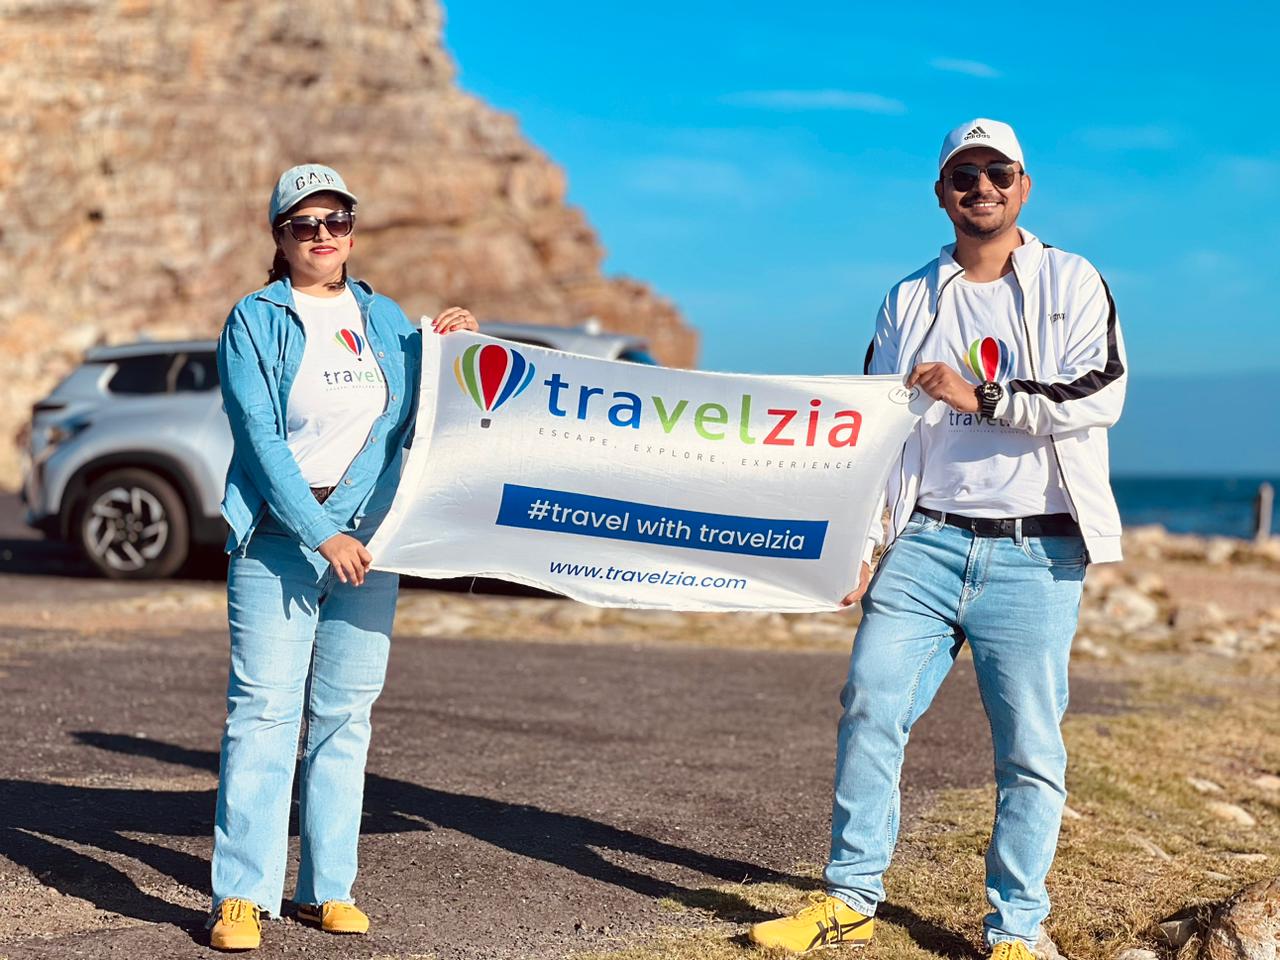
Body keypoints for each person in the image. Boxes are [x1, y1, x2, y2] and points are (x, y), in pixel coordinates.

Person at [748, 119, 1127, 957]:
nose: (981, 186)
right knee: (872, 708)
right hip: (924, 546)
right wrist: (863, 541)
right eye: (964, 173)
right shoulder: (908, 297)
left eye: (999, 172)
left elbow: (1099, 392)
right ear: (941, 191)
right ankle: (849, 897)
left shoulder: (1073, 279)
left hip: (1038, 551)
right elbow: (877, 430)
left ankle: (1017, 931)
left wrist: (979, 395)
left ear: (1024, 186)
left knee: (1029, 747)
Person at [207, 163, 478, 951]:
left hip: (372, 541)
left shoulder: (385, 317)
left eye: (336, 221)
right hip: (281, 541)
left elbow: (425, 410)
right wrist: (321, 530)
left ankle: (328, 889)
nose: (322, 236)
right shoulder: (254, 318)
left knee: (344, 718)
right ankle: (241, 897)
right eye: (304, 224)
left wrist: (454, 345)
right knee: (262, 713)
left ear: (352, 233)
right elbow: (257, 439)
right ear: (279, 237)